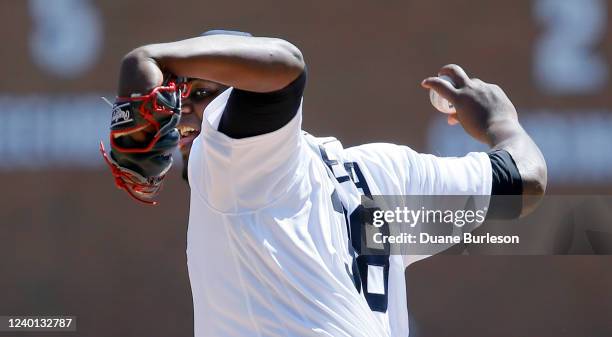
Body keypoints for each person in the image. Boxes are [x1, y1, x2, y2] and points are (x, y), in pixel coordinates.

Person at [101, 30, 547, 337]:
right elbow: (525, 182)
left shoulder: (233, 162)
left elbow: (285, 68)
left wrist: (151, 57)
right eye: (180, 97)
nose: (182, 114)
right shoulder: (382, 173)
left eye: (199, 94)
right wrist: (502, 123)